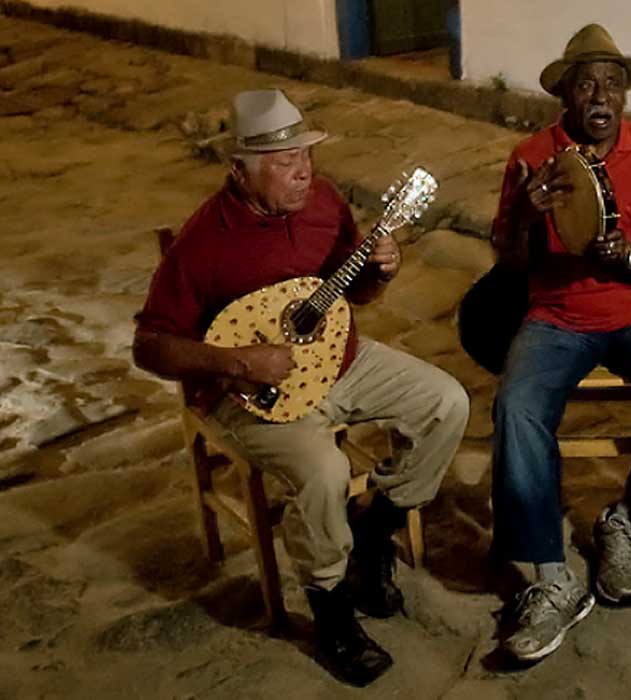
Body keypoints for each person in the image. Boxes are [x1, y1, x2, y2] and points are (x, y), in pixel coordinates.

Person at [132, 89, 469, 687]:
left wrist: (378, 274)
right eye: (284, 161)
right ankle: (332, 609)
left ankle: (372, 528)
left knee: (447, 402)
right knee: (324, 473)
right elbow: (149, 345)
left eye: (306, 155)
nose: (303, 171)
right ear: (239, 170)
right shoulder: (203, 244)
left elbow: (348, 293)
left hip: (339, 360)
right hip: (248, 395)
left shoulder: (324, 203)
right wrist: (235, 361)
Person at [488, 24, 631, 662]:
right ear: (565, 94)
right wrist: (529, 217)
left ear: (624, 96)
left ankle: (626, 516)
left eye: (612, 84)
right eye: (586, 83)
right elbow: (507, 262)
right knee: (517, 408)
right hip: (557, 313)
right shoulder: (534, 154)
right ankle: (550, 577)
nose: (600, 95)